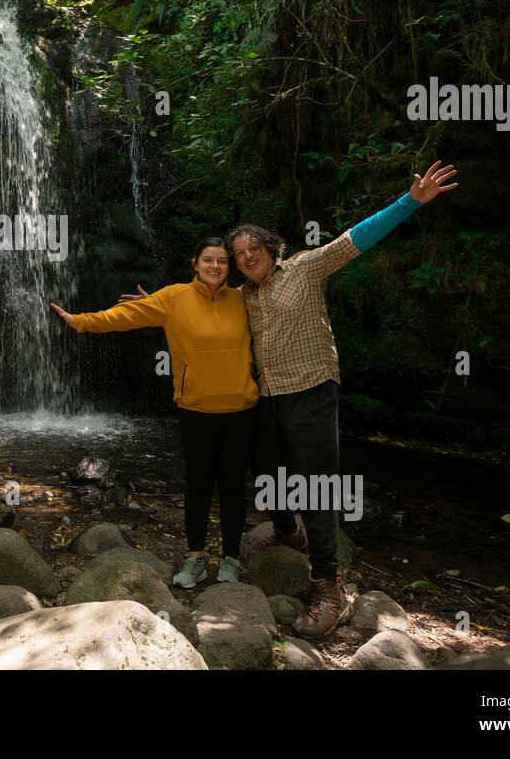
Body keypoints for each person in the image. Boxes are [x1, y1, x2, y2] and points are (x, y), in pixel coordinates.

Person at [122, 160, 460, 637]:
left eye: (250, 249)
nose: (243, 257)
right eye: (236, 253)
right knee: (262, 471)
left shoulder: (304, 267)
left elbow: (355, 238)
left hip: (313, 389)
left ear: (271, 248)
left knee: (316, 484)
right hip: (269, 398)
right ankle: (285, 530)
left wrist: (412, 202)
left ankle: (328, 586)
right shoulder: (244, 296)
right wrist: (156, 304)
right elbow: (199, 304)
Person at [50, 239, 258, 589]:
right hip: (196, 409)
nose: (215, 266)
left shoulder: (244, 300)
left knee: (234, 489)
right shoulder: (173, 297)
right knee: (198, 488)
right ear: (195, 263)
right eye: (208, 260)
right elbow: (124, 318)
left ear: (229, 267)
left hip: (241, 410)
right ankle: (195, 561)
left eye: (222, 261)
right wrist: (81, 321)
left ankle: (231, 560)